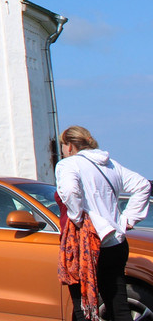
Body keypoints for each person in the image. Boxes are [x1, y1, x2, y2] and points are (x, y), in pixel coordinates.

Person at [56, 125, 150, 321]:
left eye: (62, 146)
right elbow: (142, 184)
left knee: (84, 306)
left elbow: (70, 191)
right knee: (118, 303)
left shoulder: (69, 164)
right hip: (115, 241)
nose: (62, 151)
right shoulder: (111, 164)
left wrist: (78, 217)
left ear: (71, 146)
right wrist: (127, 219)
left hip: (87, 243)